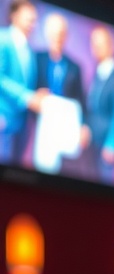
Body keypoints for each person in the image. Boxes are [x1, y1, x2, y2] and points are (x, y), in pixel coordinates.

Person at [0, 0, 48, 164]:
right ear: (14, 16)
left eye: (34, 20)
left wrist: (37, 95)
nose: (32, 24)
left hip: (22, 123)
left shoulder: (30, 49)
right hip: (4, 118)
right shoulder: (2, 39)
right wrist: (27, 96)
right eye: (28, 18)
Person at [82, 24, 114, 184]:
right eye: (94, 44)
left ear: (111, 46)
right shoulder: (97, 74)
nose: (97, 48)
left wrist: (113, 144)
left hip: (106, 147)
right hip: (92, 145)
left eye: (101, 43)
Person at [36, 12, 84, 109]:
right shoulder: (37, 59)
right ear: (47, 34)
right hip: (40, 116)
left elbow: (79, 100)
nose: (57, 38)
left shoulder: (74, 67)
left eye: (61, 34)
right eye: (54, 33)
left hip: (66, 118)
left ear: (66, 35)